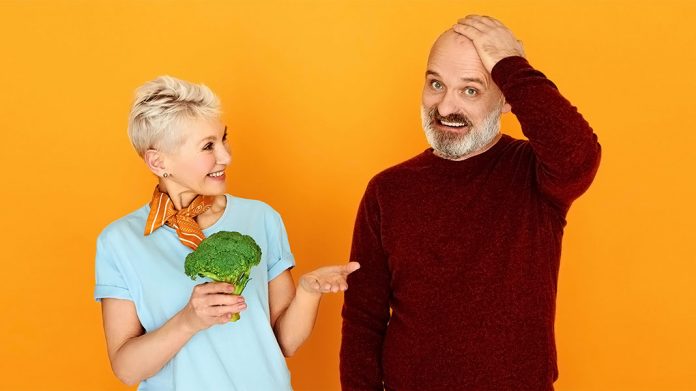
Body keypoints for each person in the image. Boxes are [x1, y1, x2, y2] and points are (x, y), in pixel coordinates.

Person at [340, 15, 601, 391]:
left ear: (507, 97)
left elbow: (579, 155)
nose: (446, 107)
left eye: (471, 90)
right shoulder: (387, 190)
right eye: (436, 84)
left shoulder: (536, 175)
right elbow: (363, 320)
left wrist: (511, 65)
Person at [94, 75, 359, 390]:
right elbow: (126, 369)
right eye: (208, 146)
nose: (226, 156)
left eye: (224, 138)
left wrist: (308, 293)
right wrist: (188, 321)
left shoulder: (260, 218)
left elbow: (284, 342)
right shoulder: (120, 242)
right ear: (158, 161)